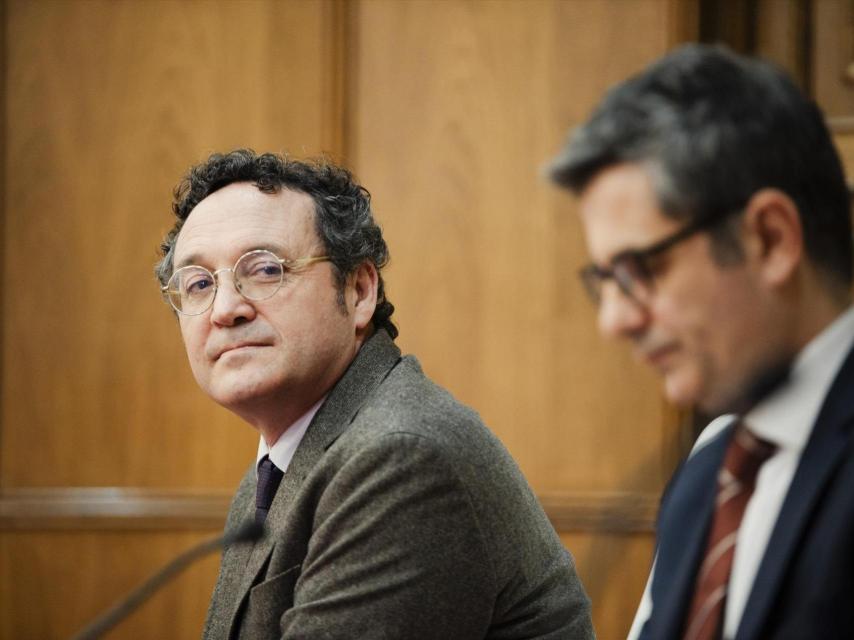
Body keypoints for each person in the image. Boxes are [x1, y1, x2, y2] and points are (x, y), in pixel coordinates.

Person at [155, 149, 593, 640]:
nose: (225, 309)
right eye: (198, 284)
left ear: (359, 291)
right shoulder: (282, 463)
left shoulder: (399, 457)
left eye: (266, 270)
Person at [549, 44, 854, 639]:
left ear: (771, 239)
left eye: (641, 271)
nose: (613, 320)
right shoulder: (705, 479)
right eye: (605, 281)